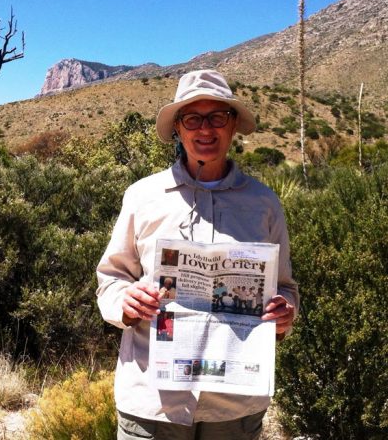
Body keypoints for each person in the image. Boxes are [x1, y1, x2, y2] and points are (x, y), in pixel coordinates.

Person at [96, 70, 299, 440]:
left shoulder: (263, 203)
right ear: (178, 127)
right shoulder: (143, 197)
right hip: (152, 402)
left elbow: (285, 287)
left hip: (234, 406)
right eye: (193, 118)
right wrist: (126, 300)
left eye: (217, 117)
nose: (205, 129)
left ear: (233, 124)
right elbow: (111, 278)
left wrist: (284, 311)